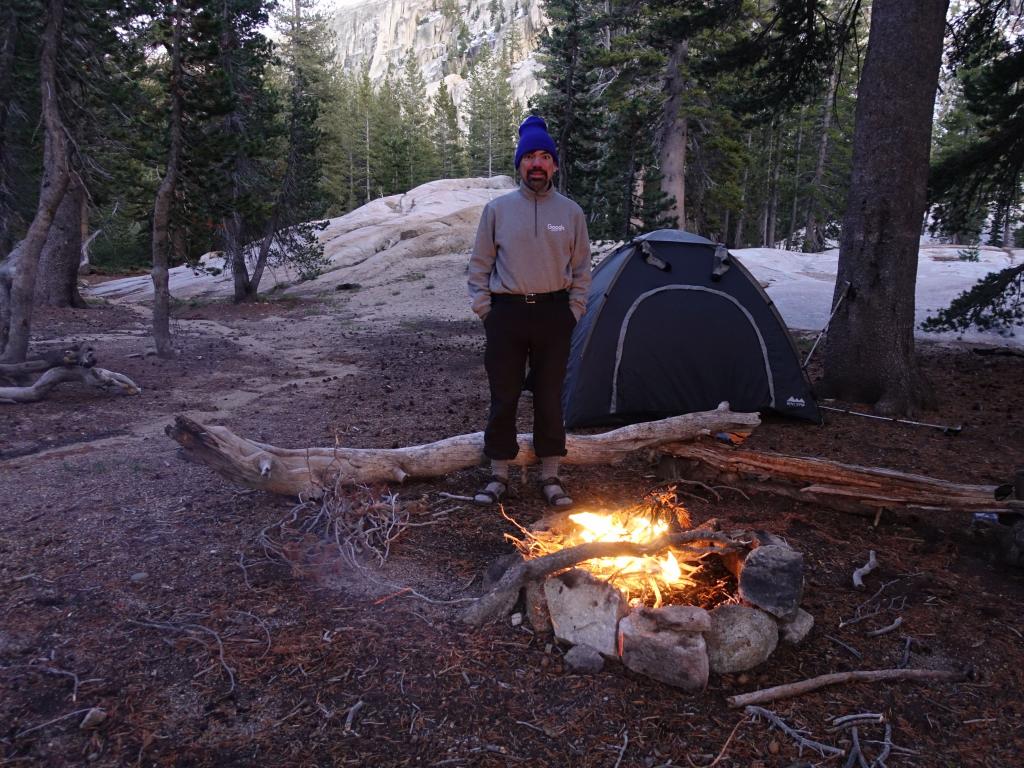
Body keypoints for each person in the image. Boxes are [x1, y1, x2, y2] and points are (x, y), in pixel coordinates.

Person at [467, 114, 592, 508]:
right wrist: (486, 310)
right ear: (519, 164)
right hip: (506, 315)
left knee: (550, 396)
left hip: (555, 315)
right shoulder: (498, 210)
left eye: (544, 157)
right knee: (503, 396)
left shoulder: (570, 213)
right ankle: (499, 474)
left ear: (554, 165)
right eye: (529, 157)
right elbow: (479, 266)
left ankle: (551, 475)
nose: (536, 164)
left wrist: (574, 310)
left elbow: (583, 268)